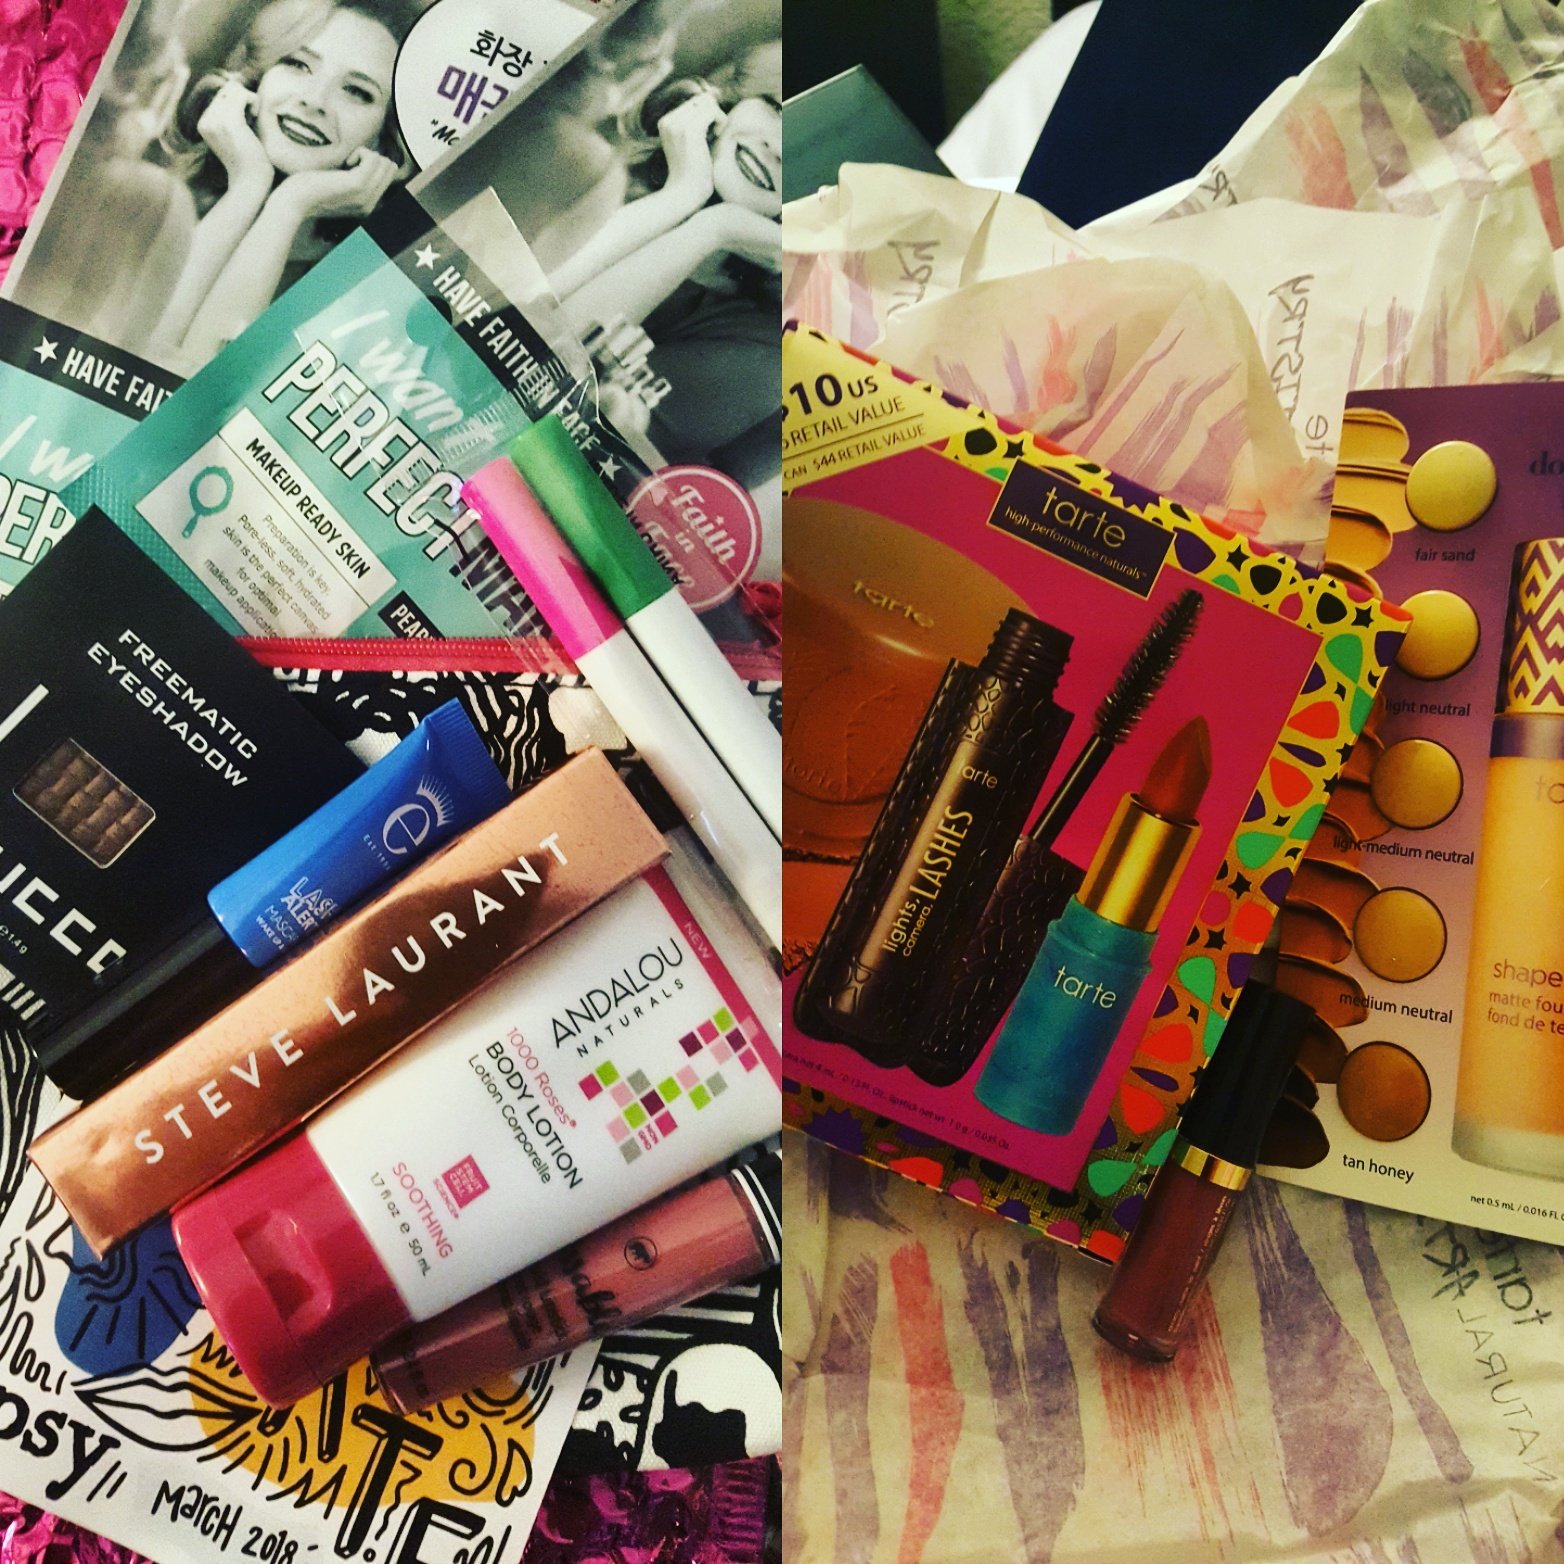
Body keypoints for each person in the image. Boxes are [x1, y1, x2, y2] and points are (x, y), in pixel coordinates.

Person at [548, 43, 782, 478]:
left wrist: (713, 230)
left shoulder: (769, 352)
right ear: (725, 101)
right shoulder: (590, 159)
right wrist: (682, 195)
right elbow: (507, 302)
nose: (778, 147)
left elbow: (537, 354)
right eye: (774, 107)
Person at [153, 0, 412, 365]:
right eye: (298, 64)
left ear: (384, 142)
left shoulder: (360, 289)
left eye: (357, 91)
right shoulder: (151, 202)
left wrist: (290, 205)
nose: (314, 101)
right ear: (256, 79)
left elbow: (197, 381)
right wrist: (248, 185)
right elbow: (137, 355)